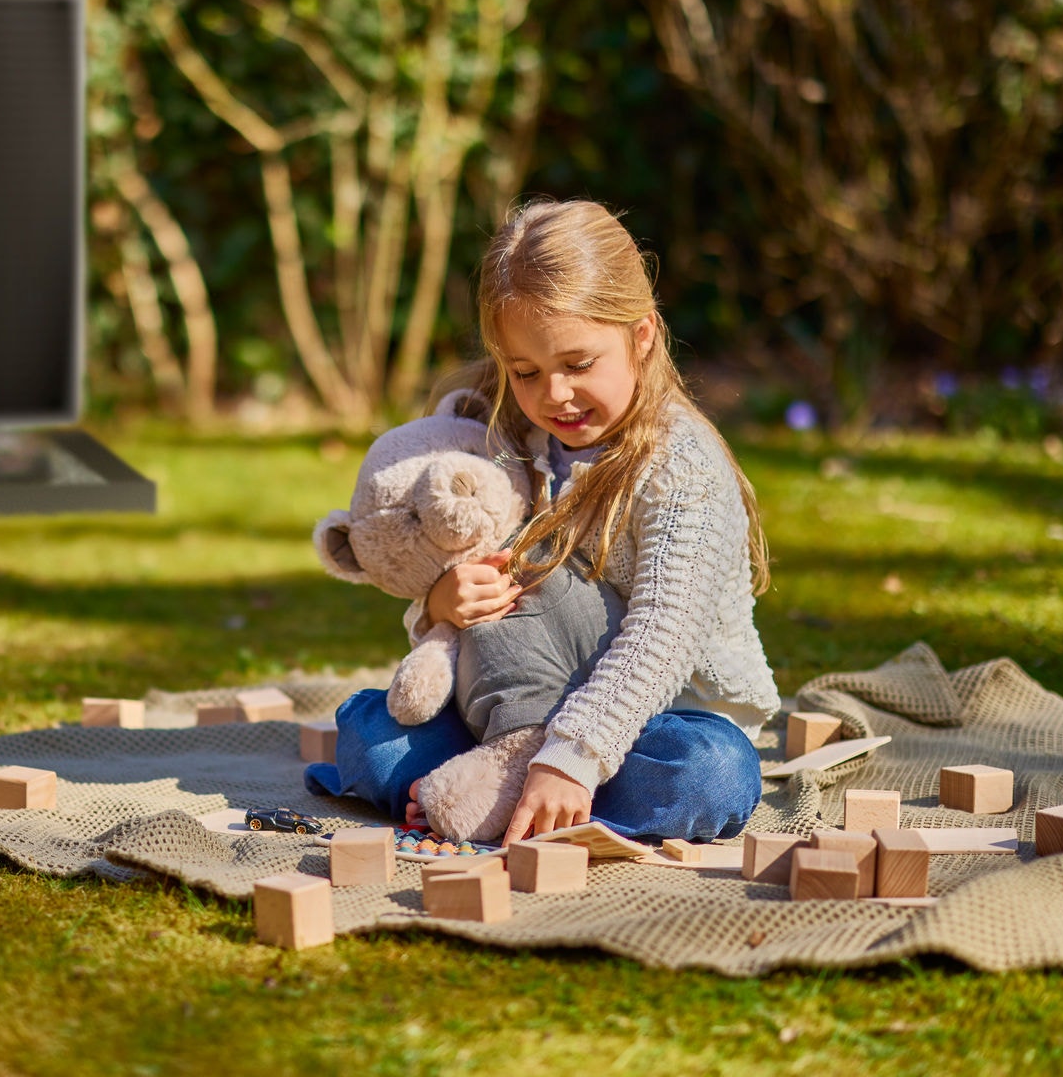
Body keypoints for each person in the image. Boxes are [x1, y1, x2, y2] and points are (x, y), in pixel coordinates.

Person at [331, 198, 778, 847]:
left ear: (642, 336)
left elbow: (664, 632)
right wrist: (437, 605)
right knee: (370, 741)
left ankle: (508, 797)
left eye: (578, 364)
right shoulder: (504, 431)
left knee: (711, 776)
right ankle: (513, 790)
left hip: (656, 714)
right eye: (526, 372)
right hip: (516, 704)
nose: (555, 395)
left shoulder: (682, 464)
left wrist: (573, 759)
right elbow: (448, 548)